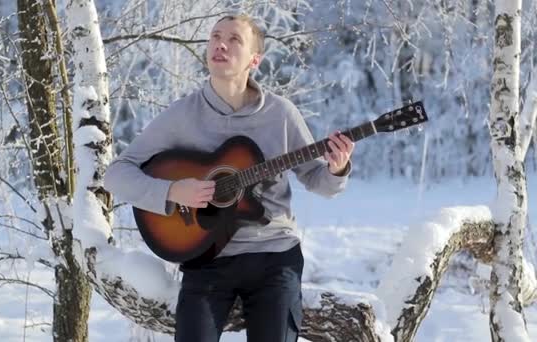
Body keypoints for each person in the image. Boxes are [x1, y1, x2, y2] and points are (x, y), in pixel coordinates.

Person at [104, 14, 354, 342]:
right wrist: (173, 190)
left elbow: (317, 180)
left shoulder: (280, 113)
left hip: (274, 256)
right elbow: (116, 175)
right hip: (205, 255)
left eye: (234, 39)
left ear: (254, 59)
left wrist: (338, 169)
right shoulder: (183, 115)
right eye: (215, 36)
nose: (220, 44)